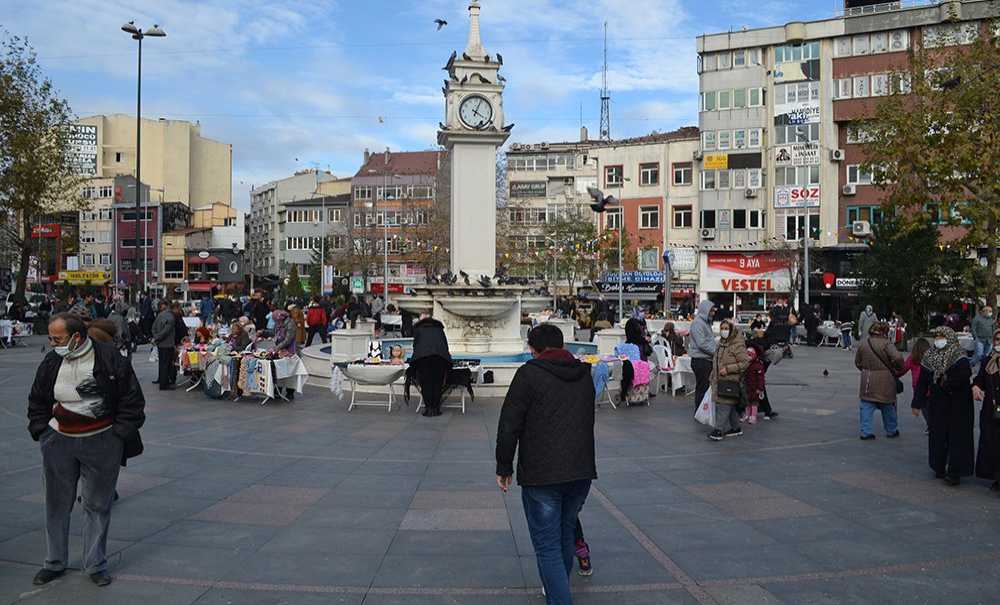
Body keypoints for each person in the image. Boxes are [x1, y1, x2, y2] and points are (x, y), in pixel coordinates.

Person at [27, 313, 145, 588]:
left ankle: (95, 564)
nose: (52, 343)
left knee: (97, 505)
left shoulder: (109, 357)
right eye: (50, 338)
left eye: (57, 339)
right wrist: (42, 429)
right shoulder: (52, 361)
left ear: (76, 337)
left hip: (102, 441)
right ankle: (54, 562)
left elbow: (132, 399)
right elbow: (37, 398)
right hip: (58, 440)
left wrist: (118, 434)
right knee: (56, 504)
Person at [495, 324, 596, 605]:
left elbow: (509, 424)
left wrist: (504, 466)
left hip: (542, 474)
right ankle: (555, 589)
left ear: (533, 349)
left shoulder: (529, 374)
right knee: (565, 534)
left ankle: (558, 596)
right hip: (580, 471)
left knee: (547, 546)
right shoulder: (583, 374)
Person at [913, 327, 975, 486]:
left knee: (957, 438)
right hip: (938, 403)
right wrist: (917, 403)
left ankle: (955, 472)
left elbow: (963, 376)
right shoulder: (929, 356)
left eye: (942, 336)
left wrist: (945, 381)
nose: (938, 340)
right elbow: (922, 382)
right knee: (938, 435)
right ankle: (939, 467)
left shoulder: (959, 356)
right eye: (937, 336)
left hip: (958, 404)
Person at [855, 321, 904, 440]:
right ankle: (891, 430)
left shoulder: (864, 343)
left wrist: (866, 369)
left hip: (867, 379)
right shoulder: (887, 344)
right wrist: (898, 367)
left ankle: (865, 432)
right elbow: (897, 358)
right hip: (885, 379)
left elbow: (857, 362)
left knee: (866, 405)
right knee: (888, 406)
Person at [707, 320, 750, 441]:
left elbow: (745, 362)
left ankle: (718, 430)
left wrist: (728, 369)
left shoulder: (737, 345)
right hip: (719, 379)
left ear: (731, 330)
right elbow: (716, 361)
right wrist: (712, 376)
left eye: (726, 328)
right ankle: (736, 427)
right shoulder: (721, 343)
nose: (724, 331)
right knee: (728, 405)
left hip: (730, 380)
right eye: (722, 328)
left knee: (724, 404)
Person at [973, 329, 1000, 494]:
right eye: (997, 339)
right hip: (991, 410)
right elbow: (980, 379)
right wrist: (976, 386)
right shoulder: (988, 361)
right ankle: (996, 477)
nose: (998, 343)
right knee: (992, 443)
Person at [410, 313, 452, 417]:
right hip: (439, 358)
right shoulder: (439, 329)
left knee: (426, 384)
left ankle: (428, 408)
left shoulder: (419, 329)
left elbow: (416, 345)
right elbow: (445, 345)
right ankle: (436, 408)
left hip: (423, 358)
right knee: (437, 383)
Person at [689, 300, 717, 411]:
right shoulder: (698, 323)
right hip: (701, 360)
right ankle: (700, 411)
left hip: (706, 359)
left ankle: (703, 410)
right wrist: (715, 352)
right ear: (706, 310)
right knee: (702, 387)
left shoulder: (705, 322)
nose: (713, 313)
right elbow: (702, 343)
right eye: (711, 311)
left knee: (704, 386)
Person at [904, 338, 931, 434]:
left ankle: (930, 424)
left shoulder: (912, 358)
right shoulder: (932, 358)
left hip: (918, 387)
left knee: (924, 407)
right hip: (930, 385)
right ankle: (933, 424)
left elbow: (903, 369)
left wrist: (894, 375)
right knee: (931, 406)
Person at [151, 302, 176, 390]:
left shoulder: (160, 315)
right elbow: (166, 331)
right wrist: (157, 337)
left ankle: (162, 382)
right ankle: (164, 384)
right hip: (167, 344)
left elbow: (153, 327)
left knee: (162, 364)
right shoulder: (170, 317)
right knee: (166, 365)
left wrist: (155, 337)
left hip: (161, 344)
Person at [743, 344, 766, 424]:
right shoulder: (746, 364)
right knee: (747, 402)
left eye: (750, 355)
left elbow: (761, 378)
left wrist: (760, 388)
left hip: (755, 387)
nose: (748, 357)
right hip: (747, 386)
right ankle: (747, 414)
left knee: (754, 403)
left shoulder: (758, 365)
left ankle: (753, 416)